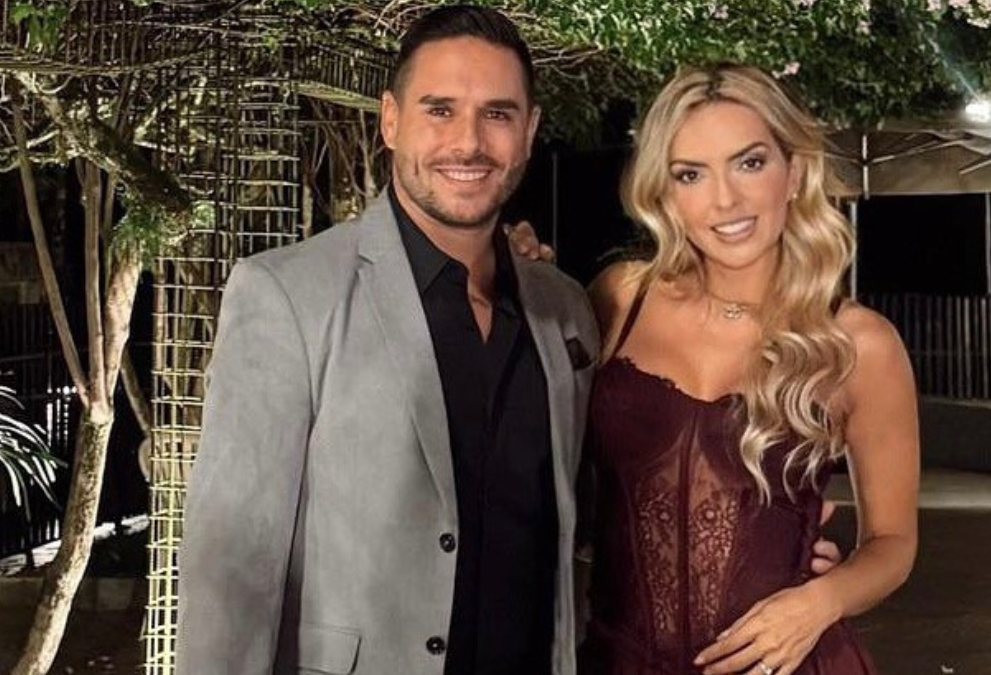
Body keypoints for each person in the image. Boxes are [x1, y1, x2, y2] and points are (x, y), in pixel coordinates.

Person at [177, 6, 843, 674]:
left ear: (528, 131)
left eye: (496, 114)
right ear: (391, 120)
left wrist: (772, 545)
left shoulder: (565, 308)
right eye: (440, 110)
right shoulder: (287, 295)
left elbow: (606, 502)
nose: (467, 142)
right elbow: (229, 569)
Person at [578, 64, 920, 675]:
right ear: (665, 193)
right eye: (690, 174)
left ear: (795, 173)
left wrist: (821, 601)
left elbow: (893, 544)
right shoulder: (620, 300)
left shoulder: (859, 344)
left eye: (750, 163)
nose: (725, 200)